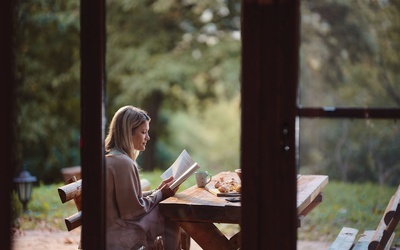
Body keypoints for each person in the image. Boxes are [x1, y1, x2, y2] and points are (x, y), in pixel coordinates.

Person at [105, 105, 181, 250]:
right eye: (143, 132)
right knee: (172, 211)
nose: (148, 137)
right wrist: (160, 194)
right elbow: (134, 210)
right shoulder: (124, 163)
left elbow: (126, 199)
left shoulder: (110, 157)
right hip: (118, 234)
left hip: (108, 228)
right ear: (129, 133)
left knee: (166, 207)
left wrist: (157, 191)